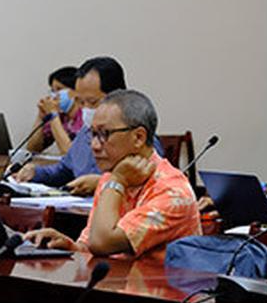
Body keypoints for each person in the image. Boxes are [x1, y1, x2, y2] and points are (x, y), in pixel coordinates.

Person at [24, 90, 200, 257]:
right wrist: (71, 247)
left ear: (138, 137)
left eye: (104, 134)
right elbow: (91, 246)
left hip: (156, 287)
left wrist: (117, 181)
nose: (94, 145)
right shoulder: (112, 176)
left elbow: (103, 243)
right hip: (114, 284)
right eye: (92, 134)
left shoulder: (172, 191)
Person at [11, 56, 161, 196]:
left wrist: (102, 183)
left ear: (116, 96)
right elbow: (64, 170)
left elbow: (152, 181)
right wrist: (34, 172)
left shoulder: (136, 137)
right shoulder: (85, 132)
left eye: (93, 102)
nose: (86, 110)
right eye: (81, 102)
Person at [24, 65, 83, 155]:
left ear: (76, 92)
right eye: (52, 90)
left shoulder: (85, 116)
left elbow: (72, 155)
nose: (54, 95)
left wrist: (53, 114)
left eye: (59, 89)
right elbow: (32, 148)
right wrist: (40, 117)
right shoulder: (61, 116)